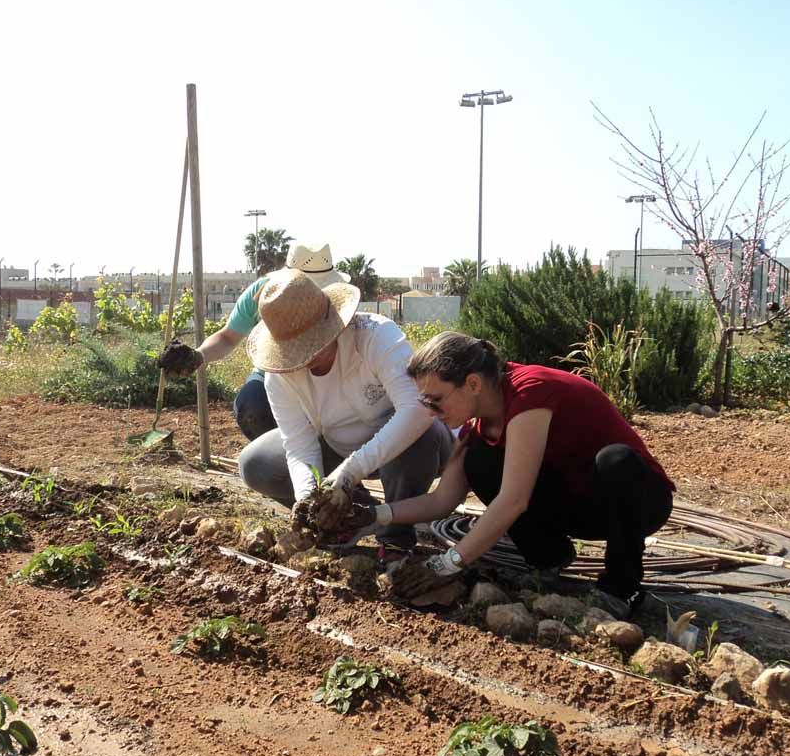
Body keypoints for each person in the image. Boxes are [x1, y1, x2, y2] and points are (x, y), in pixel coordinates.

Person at [350, 332, 674, 619]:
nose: (431, 412)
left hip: (636, 501)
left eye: (436, 400)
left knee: (616, 461)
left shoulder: (530, 393)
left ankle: (622, 588)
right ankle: (549, 559)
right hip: (580, 503)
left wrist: (445, 564)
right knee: (480, 462)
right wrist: (371, 516)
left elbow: (514, 500)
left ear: (473, 384)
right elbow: (441, 500)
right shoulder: (479, 426)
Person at [236, 269, 453, 549]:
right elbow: (299, 445)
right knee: (255, 463)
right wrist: (309, 499)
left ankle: (396, 536)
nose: (306, 358)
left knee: (422, 435)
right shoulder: (280, 375)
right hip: (336, 446)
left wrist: (350, 472)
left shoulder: (377, 336)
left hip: (403, 451)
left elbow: (418, 410)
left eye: (312, 346)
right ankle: (352, 518)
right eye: (297, 350)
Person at [156, 244, 351, 440]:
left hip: (326, 375)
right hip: (275, 375)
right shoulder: (263, 293)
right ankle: (282, 459)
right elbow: (227, 337)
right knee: (252, 408)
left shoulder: (339, 299)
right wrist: (198, 355)